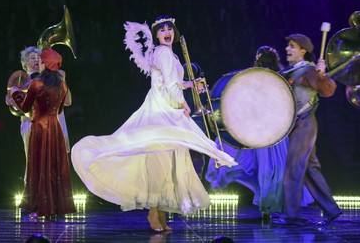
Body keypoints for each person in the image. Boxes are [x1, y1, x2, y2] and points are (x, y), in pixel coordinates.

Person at [71, 15, 236, 231]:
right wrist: (183, 104)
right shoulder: (165, 53)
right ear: (156, 35)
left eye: (169, 28)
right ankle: (153, 214)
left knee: (166, 161)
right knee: (161, 164)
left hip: (164, 108)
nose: (166, 31)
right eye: (161, 29)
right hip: (163, 111)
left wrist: (191, 84)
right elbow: (170, 85)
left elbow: (171, 82)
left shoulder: (166, 54)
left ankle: (160, 215)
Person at [205, 45, 314, 220]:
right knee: (269, 170)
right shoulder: (267, 78)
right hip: (266, 130)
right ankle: (268, 207)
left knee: (267, 169)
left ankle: (268, 207)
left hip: (269, 130)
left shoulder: (272, 78)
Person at [272, 33, 341, 226]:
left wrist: (322, 74)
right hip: (298, 125)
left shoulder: (308, 71)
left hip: (305, 124)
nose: (288, 49)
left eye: (292, 46)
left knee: (294, 168)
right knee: (310, 168)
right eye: (289, 46)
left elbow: (327, 90)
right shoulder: (291, 71)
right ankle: (331, 209)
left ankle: (292, 215)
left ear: (303, 51)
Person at [11, 48, 76, 218]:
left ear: (45, 64)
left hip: (39, 127)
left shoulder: (37, 84)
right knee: (55, 166)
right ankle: (56, 206)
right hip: (55, 126)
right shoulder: (62, 84)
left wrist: (16, 94)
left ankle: (40, 206)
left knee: (39, 166)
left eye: (40, 60)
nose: (37, 63)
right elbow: (61, 107)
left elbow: (25, 107)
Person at [6, 46, 72, 185]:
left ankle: (53, 193)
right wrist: (12, 98)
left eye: (38, 57)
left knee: (54, 161)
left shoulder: (53, 79)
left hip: (53, 122)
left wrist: (62, 80)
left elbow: (66, 103)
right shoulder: (21, 81)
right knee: (33, 161)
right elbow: (17, 104)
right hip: (31, 123)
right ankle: (32, 195)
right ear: (25, 64)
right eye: (32, 57)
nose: (36, 59)